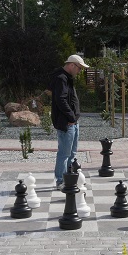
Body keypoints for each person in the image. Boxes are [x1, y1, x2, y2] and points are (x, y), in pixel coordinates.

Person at [51, 55, 86, 186]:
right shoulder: (61, 78)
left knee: (72, 154)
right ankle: (61, 181)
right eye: (79, 68)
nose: (79, 71)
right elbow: (61, 100)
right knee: (64, 154)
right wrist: (71, 117)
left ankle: (69, 179)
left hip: (73, 122)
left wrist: (75, 118)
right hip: (66, 123)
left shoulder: (67, 78)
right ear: (72, 65)